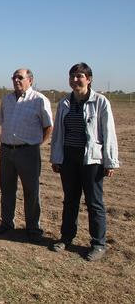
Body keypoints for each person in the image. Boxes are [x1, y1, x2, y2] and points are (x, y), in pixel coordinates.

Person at [50, 63, 119, 261]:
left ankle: (98, 243)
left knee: (94, 202)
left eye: (79, 76)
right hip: (69, 158)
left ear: (89, 79)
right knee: (70, 200)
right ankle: (66, 237)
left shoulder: (100, 102)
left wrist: (110, 161)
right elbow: (58, 133)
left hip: (92, 159)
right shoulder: (65, 103)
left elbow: (109, 132)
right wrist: (56, 157)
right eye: (72, 76)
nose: (75, 80)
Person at [0, 68, 53, 242]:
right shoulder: (7, 100)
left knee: (31, 190)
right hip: (7, 150)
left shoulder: (39, 100)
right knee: (7, 188)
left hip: (28, 152)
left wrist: (37, 145)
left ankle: (33, 228)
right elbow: (3, 122)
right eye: (14, 77)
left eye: (20, 77)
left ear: (30, 80)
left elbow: (48, 126)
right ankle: (7, 223)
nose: (16, 80)